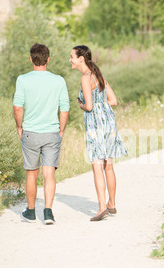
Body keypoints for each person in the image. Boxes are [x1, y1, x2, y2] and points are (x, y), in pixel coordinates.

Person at [69, 45, 128, 222]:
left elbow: (89, 106)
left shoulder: (85, 78)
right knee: (108, 165)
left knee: (97, 165)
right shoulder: (99, 75)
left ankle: (102, 207)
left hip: (95, 123)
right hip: (109, 121)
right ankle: (112, 203)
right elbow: (114, 101)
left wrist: (79, 104)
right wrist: (102, 108)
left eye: (72, 56)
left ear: (81, 58)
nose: (70, 59)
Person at [13, 43, 70, 225]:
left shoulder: (22, 79)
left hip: (30, 132)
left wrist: (19, 127)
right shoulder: (59, 80)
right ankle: (48, 212)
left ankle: (30, 212)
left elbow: (17, 107)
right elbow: (65, 109)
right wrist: (61, 130)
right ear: (48, 59)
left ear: (31, 59)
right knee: (49, 174)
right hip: (52, 132)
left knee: (31, 174)